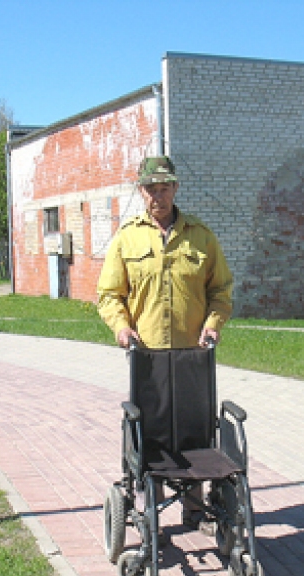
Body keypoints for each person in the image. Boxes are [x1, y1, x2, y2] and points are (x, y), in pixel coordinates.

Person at [96, 155, 234, 531]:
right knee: (151, 432)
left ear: (175, 188)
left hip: (194, 355)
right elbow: (109, 295)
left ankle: (195, 510)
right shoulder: (127, 238)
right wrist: (122, 329)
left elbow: (221, 290)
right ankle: (152, 515)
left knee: (194, 430)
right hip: (148, 357)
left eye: (165, 187)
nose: (158, 195)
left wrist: (213, 324)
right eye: (151, 188)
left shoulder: (202, 237)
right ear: (141, 191)